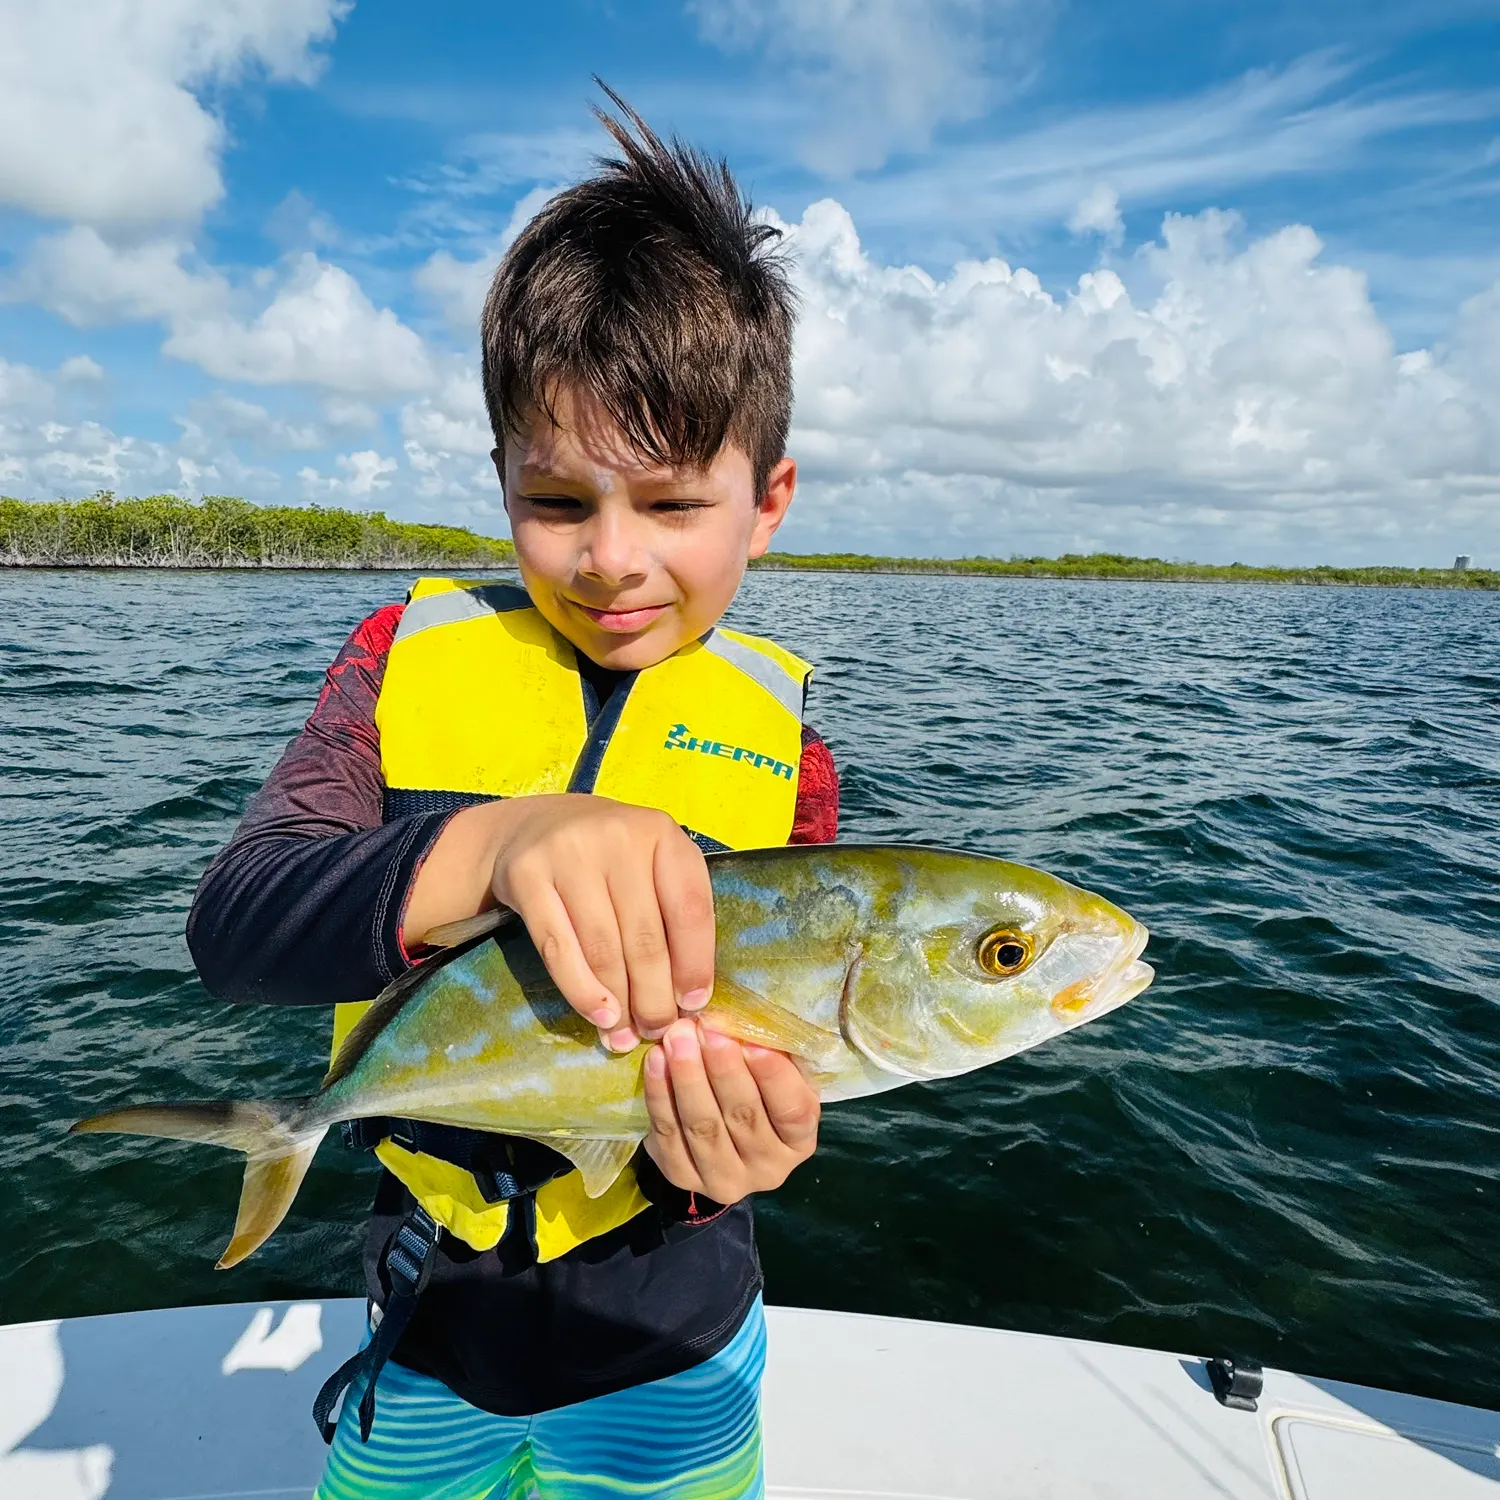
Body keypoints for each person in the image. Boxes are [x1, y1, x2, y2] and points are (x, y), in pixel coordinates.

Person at [187, 90, 839, 1499]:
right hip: (427, 1326)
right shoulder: (397, 661)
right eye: (558, 502)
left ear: (767, 497)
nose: (611, 559)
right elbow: (234, 925)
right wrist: (494, 841)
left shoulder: (791, 754)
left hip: (676, 1343)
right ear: (498, 481)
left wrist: (739, 1156)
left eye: (670, 504)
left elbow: (771, 1070)